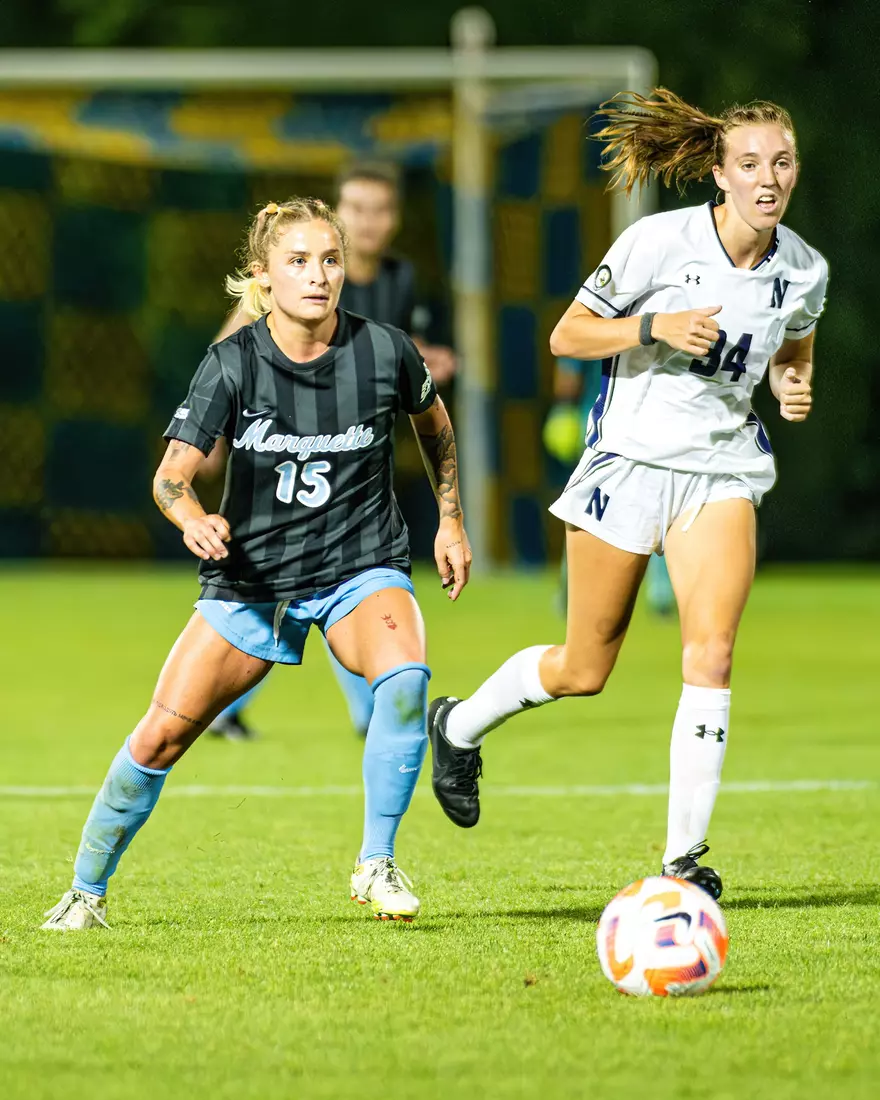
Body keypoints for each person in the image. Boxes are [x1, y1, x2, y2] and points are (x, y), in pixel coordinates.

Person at [427, 88, 827, 899]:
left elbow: (795, 341)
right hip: (631, 464)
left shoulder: (805, 268)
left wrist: (793, 383)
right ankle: (457, 724)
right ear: (718, 172)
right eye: (749, 163)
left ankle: (684, 861)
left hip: (720, 471)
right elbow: (567, 335)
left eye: (780, 162)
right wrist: (655, 328)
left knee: (710, 652)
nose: (767, 178)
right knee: (583, 667)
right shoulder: (658, 242)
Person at [42, 197, 471, 930]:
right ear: (263, 276)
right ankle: (85, 891)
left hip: (359, 565)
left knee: (405, 680)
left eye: (330, 260)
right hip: (254, 579)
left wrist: (451, 518)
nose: (318, 275)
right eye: (299, 261)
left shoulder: (385, 350)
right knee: (161, 736)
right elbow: (171, 476)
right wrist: (192, 517)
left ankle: (376, 862)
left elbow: (433, 423)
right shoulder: (231, 362)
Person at [207, 163, 455, 740]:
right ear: (336, 218)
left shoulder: (402, 279)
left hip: (358, 457)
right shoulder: (295, 276)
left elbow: (390, 356)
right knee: (293, 579)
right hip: (285, 455)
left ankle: (366, 709)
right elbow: (229, 350)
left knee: (346, 576)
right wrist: (213, 432)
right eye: (357, 209)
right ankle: (224, 704)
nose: (369, 222)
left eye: (381, 209)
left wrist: (430, 361)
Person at [543, 355, 674, 616]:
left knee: (586, 509)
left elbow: (567, 378)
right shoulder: (656, 319)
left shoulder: (600, 316)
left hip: (599, 424)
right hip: (650, 422)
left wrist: (563, 408)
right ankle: (661, 593)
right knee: (660, 503)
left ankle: (571, 590)